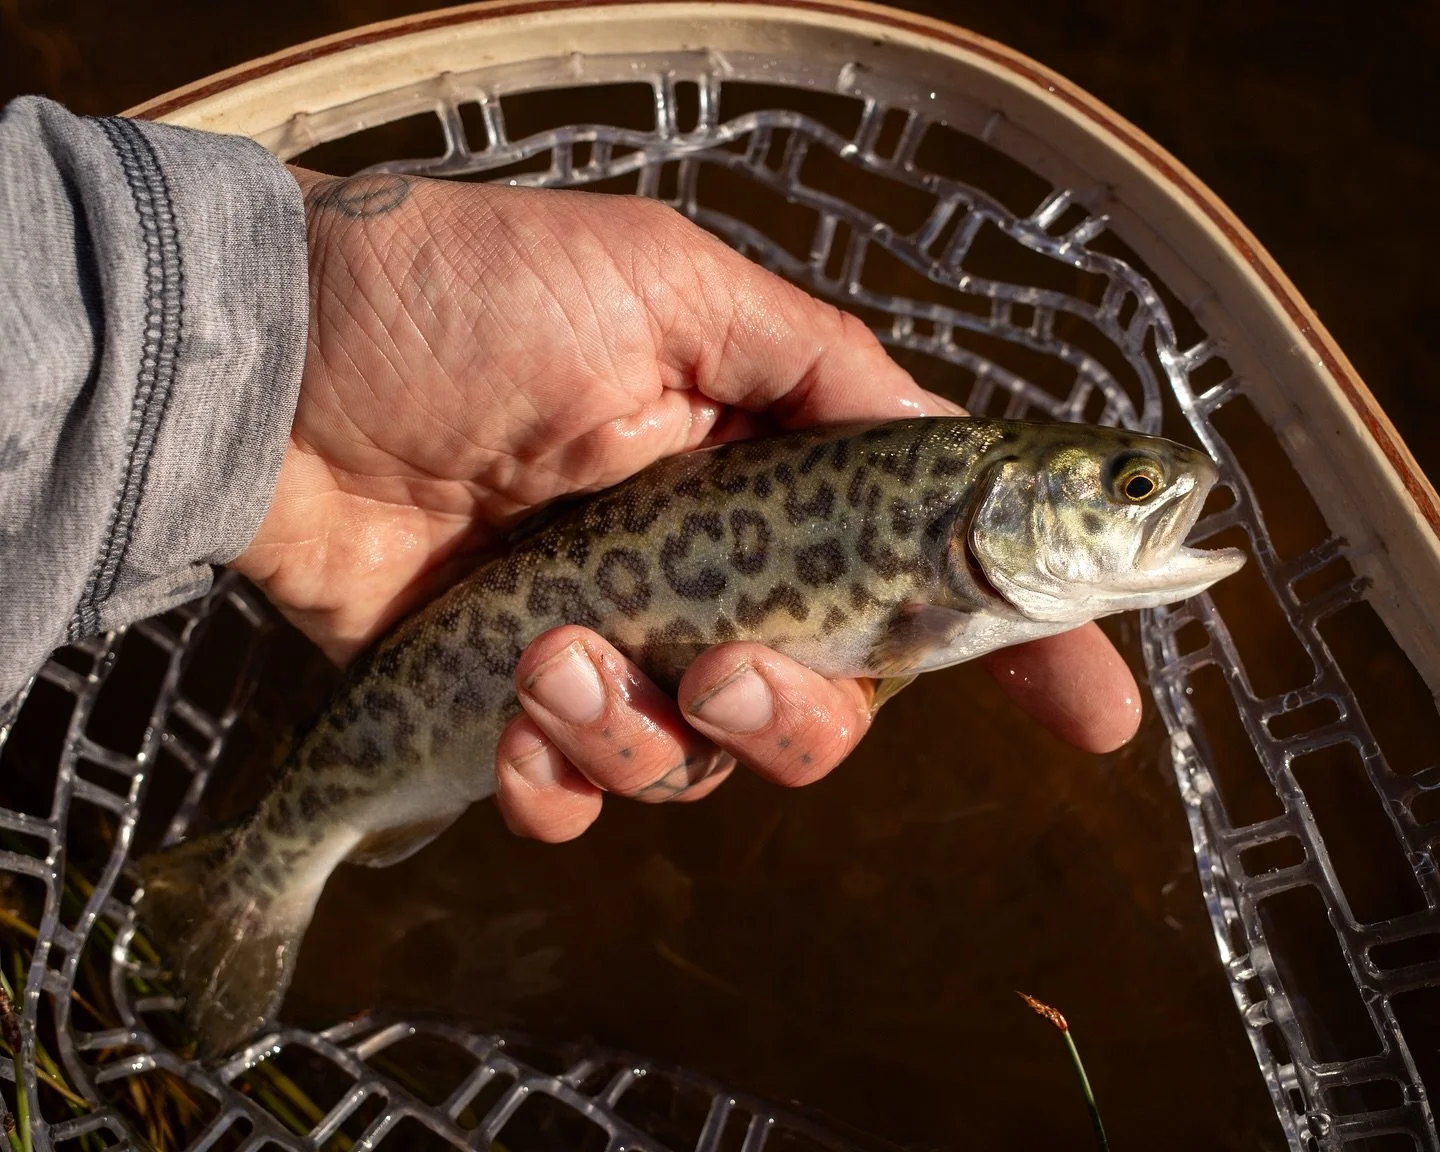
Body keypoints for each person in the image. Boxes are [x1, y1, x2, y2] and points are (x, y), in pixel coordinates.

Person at [0, 96, 1142, 842]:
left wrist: (250, 335)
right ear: (1002, 501)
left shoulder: (930, 532)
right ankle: (283, 861)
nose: (1153, 501)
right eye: (1127, 488)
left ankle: (295, 846)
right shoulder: (930, 505)